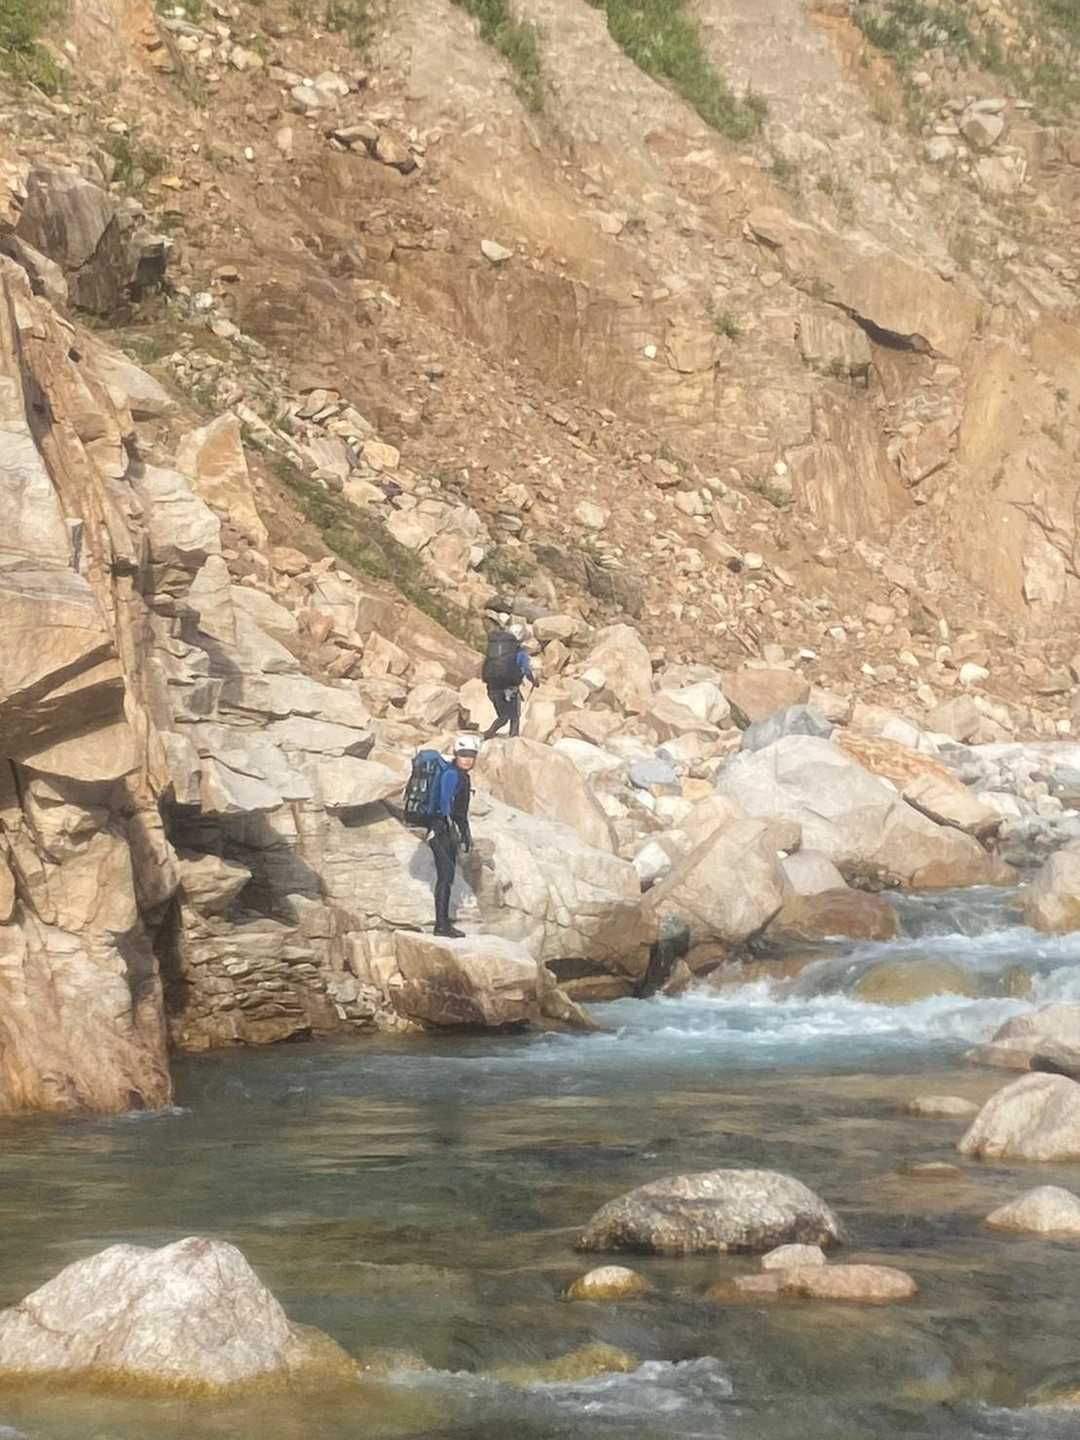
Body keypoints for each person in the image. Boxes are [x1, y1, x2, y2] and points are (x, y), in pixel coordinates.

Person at [428, 734, 478, 938]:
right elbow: (445, 803)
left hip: (448, 830)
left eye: (471, 755)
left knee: (447, 877)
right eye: (463, 755)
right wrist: (450, 828)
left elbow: (461, 811)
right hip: (441, 829)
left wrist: (465, 834)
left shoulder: (463, 776)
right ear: (456, 755)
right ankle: (441, 926)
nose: (467, 759)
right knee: (445, 876)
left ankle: (443, 923)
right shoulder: (451, 774)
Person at [483, 623, 537, 740]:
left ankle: (488, 734)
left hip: (492, 687)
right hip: (509, 689)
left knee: (503, 716)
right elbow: (526, 670)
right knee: (514, 716)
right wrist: (534, 681)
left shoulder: (496, 649)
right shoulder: (520, 652)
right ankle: (513, 738)